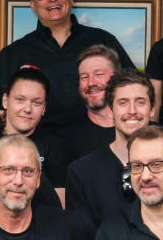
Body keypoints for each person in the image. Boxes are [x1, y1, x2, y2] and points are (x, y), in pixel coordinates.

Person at [0, 0, 135, 138]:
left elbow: (133, 89)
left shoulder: (103, 40)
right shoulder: (12, 53)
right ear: (33, 5)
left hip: (100, 141)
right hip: (35, 146)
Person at [64, 69, 154, 230]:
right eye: (123, 103)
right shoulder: (81, 173)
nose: (132, 111)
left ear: (152, 109)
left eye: (140, 102)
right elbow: (81, 237)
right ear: (111, 111)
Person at [1, 65, 70, 198]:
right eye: (20, 100)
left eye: (36, 103)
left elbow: (59, 204)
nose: (28, 109)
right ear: (5, 101)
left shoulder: (55, 147)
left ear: (44, 108)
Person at [64, 44, 122, 163]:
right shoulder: (66, 139)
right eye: (84, 77)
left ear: (117, 77)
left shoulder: (139, 130)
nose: (91, 83)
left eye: (98, 74)